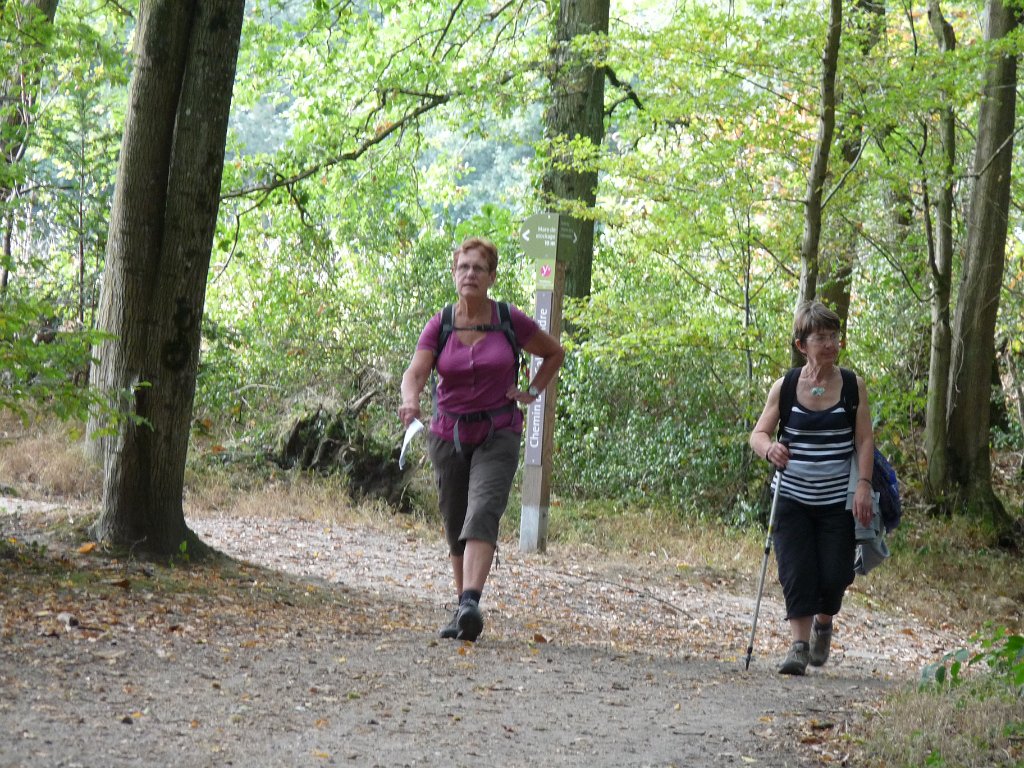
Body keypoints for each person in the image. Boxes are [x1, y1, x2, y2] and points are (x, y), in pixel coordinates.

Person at [399, 236, 565, 642]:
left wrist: (532, 391)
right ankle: (463, 609)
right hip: (449, 434)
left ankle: (471, 601)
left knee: (483, 510)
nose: (469, 274)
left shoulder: (509, 319)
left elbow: (553, 353)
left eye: (478, 268)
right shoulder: (441, 323)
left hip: (498, 432)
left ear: (491, 276)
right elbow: (415, 372)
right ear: (454, 273)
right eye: (463, 267)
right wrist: (410, 400)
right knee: (456, 519)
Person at [748, 301, 874, 675]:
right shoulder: (786, 387)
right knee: (796, 571)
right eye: (821, 337)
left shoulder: (852, 386)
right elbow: (758, 434)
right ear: (802, 345)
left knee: (835, 576)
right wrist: (769, 449)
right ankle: (799, 647)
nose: (831, 344)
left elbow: (864, 440)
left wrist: (863, 485)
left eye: (834, 336)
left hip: (837, 501)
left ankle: (824, 622)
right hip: (791, 498)